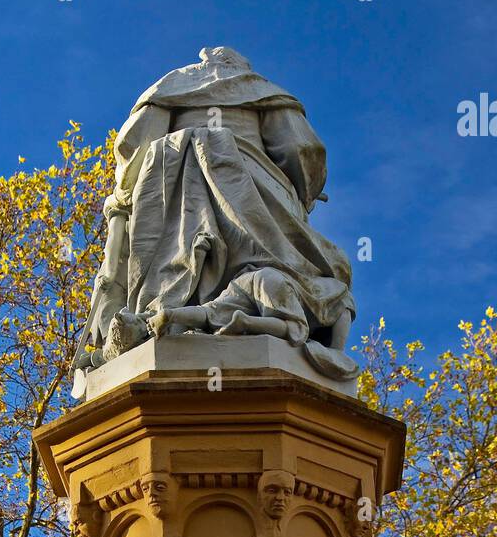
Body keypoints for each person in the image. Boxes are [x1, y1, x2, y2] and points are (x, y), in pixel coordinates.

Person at [73, 47, 356, 386]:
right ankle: (248, 311)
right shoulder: (262, 91)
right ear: (242, 67)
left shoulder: (170, 87)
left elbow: (138, 142)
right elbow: (300, 150)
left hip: (170, 188)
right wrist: (304, 193)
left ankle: (163, 316)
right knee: (268, 260)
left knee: (172, 261)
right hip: (244, 184)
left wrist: (124, 191)